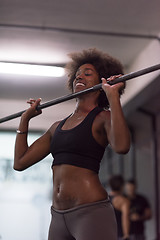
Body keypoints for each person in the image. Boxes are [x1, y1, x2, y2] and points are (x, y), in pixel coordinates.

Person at [14, 48, 131, 240]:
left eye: (87, 73)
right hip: (58, 217)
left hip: (91, 212)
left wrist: (113, 96)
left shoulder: (102, 117)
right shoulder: (56, 127)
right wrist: (24, 120)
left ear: (102, 80)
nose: (80, 76)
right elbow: (19, 163)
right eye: (77, 74)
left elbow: (122, 147)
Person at [109, 175, 130, 240]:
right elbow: (125, 217)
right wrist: (126, 235)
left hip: (107, 234)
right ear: (121, 186)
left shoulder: (104, 199)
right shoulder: (123, 201)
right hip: (119, 235)